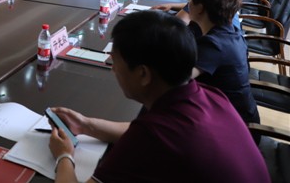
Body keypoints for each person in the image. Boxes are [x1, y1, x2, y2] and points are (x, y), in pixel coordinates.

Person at [48, 10, 269, 183]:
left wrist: (64, 155)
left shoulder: (153, 136)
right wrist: (86, 125)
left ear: (143, 74)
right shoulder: (210, 95)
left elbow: (146, 137)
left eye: (115, 61)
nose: (113, 69)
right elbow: (140, 133)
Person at [188, 0, 260, 125]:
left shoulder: (214, 45)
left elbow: (178, 79)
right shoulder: (232, 33)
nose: (188, 4)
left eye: (191, 0)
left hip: (235, 127)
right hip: (239, 116)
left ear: (200, 8)